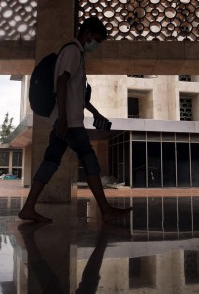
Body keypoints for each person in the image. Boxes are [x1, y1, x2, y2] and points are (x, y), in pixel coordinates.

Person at [19, 17, 133, 223]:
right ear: (87, 34)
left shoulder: (75, 53)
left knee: (51, 161)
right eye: (96, 40)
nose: (96, 45)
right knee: (89, 158)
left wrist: (95, 112)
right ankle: (106, 210)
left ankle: (28, 207)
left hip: (64, 119)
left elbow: (76, 93)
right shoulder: (72, 51)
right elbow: (62, 83)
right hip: (69, 122)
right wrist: (63, 118)